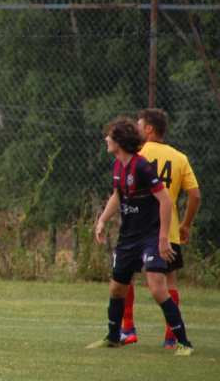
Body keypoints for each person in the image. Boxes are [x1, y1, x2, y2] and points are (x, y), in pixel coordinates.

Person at [87, 117, 193, 356]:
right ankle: (113, 337)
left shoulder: (142, 166)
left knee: (157, 287)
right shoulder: (117, 166)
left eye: (109, 136)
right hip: (128, 238)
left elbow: (165, 200)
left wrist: (163, 238)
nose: (106, 139)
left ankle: (184, 342)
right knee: (116, 289)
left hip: (150, 236)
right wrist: (102, 220)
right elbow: (117, 195)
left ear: (119, 141)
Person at [120, 108, 200, 347]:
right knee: (169, 282)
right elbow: (195, 195)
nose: (135, 128)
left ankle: (127, 328)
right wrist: (186, 224)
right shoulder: (179, 157)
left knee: (125, 278)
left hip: (137, 228)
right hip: (169, 229)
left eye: (138, 124)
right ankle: (171, 337)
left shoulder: (135, 155)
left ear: (149, 129)